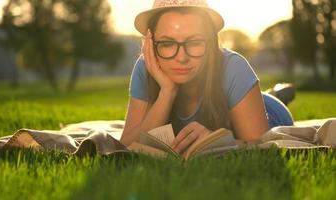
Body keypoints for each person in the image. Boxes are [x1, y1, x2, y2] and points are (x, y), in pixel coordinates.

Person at [120, 0, 294, 154]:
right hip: (237, 99)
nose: (181, 58)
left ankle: (277, 95)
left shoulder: (234, 67)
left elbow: (260, 144)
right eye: (167, 43)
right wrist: (167, 92)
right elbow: (126, 146)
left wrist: (218, 142)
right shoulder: (146, 67)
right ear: (151, 43)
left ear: (210, 42)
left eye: (195, 42)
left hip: (271, 112)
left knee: (269, 99)